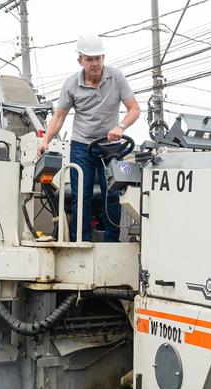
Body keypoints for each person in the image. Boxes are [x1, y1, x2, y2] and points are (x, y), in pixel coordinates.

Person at [37, 32, 140, 243]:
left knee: (112, 194)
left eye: (98, 58)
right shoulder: (71, 85)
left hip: (111, 146)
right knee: (80, 197)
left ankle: (112, 241)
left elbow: (134, 109)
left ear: (103, 57)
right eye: (89, 59)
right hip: (82, 146)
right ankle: (79, 241)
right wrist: (45, 140)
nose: (95, 63)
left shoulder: (117, 77)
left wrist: (120, 126)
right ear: (80, 61)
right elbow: (59, 116)